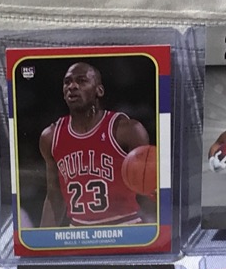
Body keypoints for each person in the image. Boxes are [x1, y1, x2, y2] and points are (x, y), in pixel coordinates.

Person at [38, 62, 150, 227]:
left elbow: (149, 190)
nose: (72, 86)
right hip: (78, 231)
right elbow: (55, 196)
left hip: (125, 226)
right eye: (67, 82)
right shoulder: (51, 136)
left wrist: (154, 235)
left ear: (99, 90)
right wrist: (43, 239)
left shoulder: (127, 130)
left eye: (82, 81)